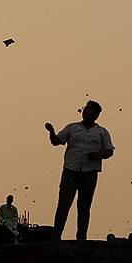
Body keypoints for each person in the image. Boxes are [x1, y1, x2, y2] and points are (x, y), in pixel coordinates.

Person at [46, 100, 114, 240]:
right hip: (71, 170)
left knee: (84, 206)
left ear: (96, 114)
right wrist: (52, 131)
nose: (85, 111)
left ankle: (81, 237)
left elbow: (109, 151)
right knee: (64, 204)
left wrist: (97, 155)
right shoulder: (72, 128)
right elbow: (56, 141)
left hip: (90, 172)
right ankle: (56, 236)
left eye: (89, 109)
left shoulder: (102, 132)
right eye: (85, 108)